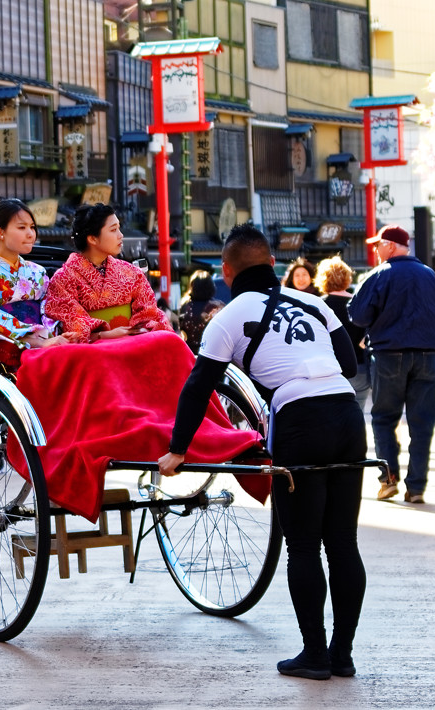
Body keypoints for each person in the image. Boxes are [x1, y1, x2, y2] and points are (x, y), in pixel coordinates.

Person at [158, 223, 365, 681]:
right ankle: (341, 654)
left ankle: (314, 654)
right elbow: (349, 364)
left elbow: (198, 388)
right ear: (274, 265)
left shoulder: (228, 317)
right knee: (343, 542)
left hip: (300, 420)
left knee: (304, 544)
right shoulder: (313, 302)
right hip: (348, 416)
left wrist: (177, 450)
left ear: (227, 272)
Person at [349, 224, 435, 504]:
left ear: (390, 246)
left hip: (389, 354)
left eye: (378, 245)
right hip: (428, 356)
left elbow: (357, 314)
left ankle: (388, 478)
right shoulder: (431, 276)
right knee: (423, 423)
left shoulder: (379, 274)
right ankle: (416, 488)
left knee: (383, 418)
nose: (376, 250)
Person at [0, 198, 77, 370]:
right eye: (22, 227)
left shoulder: (37, 272)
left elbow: (49, 308)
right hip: (8, 347)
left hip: (43, 340)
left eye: (32, 227)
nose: (31, 234)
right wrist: (32, 338)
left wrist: (52, 334)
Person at [45, 203, 173, 340]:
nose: (121, 235)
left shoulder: (132, 272)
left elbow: (150, 313)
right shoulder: (64, 278)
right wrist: (104, 334)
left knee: (169, 342)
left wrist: (138, 329)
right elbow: (71, 324)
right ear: (92, 238)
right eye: (113, 230)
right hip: (93, 348)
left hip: (132, 340)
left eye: (119, 228)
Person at [313, 256, 370, 410]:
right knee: (358, 414)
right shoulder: (358, 302)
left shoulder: (319, 305)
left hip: (330, 370)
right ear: (347, 277)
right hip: (359, 367)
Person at [178, 271, 216, 354]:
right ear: (211, 286)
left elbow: (181, 329)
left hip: (189, 353)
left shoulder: (185, 306)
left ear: (192, 286)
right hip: (210, 354)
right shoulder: (216, 307)